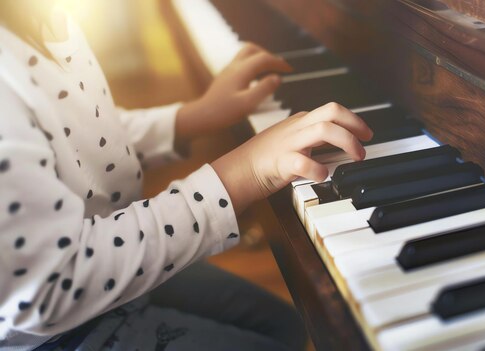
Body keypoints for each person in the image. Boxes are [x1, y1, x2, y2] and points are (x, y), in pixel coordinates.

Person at [0, 0, 373, 350]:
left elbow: (74, 136)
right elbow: (45, 290)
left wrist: (192, 117)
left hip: (108, 269)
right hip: (55, 328)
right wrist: (242, 172)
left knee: (286, 326)